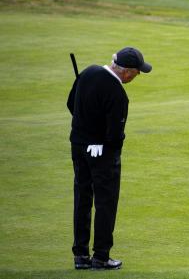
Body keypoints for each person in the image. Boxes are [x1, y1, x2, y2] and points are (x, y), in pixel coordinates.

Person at [67, 47, 152, 270]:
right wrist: (106, 143)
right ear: (127, 72)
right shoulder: (117, 93)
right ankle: (101, 256)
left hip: (78, 146)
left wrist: (88, 126)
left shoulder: (87, 72)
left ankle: (81, 256)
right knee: (105, 203)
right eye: (137, 72)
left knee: (82, 198)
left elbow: (71, 105)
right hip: (103, 155)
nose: (138, 76)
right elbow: (115, 135)